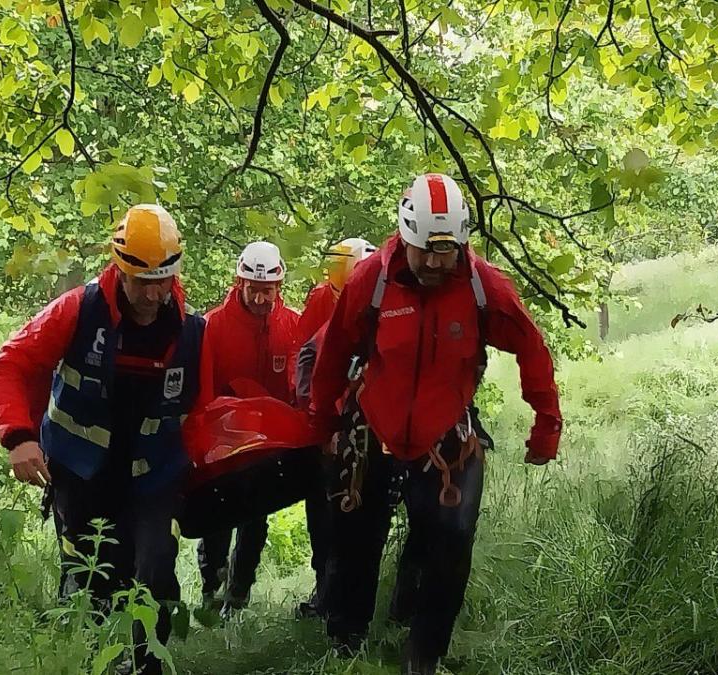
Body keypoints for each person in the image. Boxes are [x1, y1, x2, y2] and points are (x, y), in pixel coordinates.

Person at [310, 174, 563, 674]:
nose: (432, 262)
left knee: (451, 542)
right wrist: (323, 425)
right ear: (405, 236)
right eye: (424, 249)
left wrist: (546, 424)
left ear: (463, 241)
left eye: (444, 252)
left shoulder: (482, 288)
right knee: (355, 543)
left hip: (446, 439)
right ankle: (346, 646)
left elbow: (532, 347)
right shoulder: (371, 281)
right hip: (374, 434)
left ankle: (423, 655)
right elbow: (335, 350)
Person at [0, 204, 208, 675]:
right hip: (81, 471)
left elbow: (212, 404)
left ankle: (149, 666)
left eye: (163, 280)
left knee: (155, 569)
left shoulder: (192, 330)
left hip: (152, 475)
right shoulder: (77, 310)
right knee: (91, 577)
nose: (153, 294)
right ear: (119, 271)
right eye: (143, 282)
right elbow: (7, 367)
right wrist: (19, 438)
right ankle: (96, 661)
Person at [196, 241, 301, 614]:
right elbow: (202, 387)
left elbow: (296, 384)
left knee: (256, 523)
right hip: (221, 445)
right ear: (239, 283)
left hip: (268, 445)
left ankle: (237, 598)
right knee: (217, 520)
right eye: (253, 289)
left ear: (278, 288)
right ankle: (211, 588)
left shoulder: (291, 325)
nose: (260, 298)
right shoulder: (213, 326)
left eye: (267, 290)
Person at [293, 237, 378, 619]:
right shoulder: (328, 312)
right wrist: (322, 422)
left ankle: (344, 599)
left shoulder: (390, 307)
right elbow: (310, 357)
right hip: (339, 428)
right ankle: (329, 595)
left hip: (371, 428)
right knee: (329, 514)